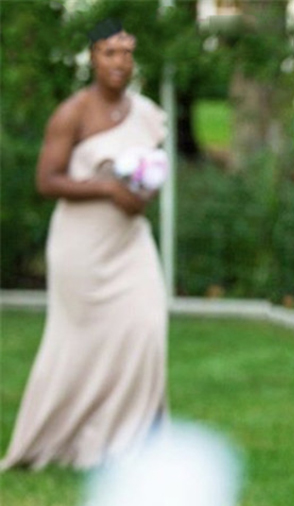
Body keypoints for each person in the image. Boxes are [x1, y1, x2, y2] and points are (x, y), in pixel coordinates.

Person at [1, 19, 167, 471]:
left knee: (147, 327)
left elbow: (151, 173)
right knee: (78, 343)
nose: (121, 62)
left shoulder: (148, 113)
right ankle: (68, 440)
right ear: (92, 57)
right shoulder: (72, 112)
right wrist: (108, 189)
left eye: (128, 52)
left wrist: (140, 192)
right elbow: (47, 180)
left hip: (130, 241)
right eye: (111, 52)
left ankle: (131, 440)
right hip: (81, 246)